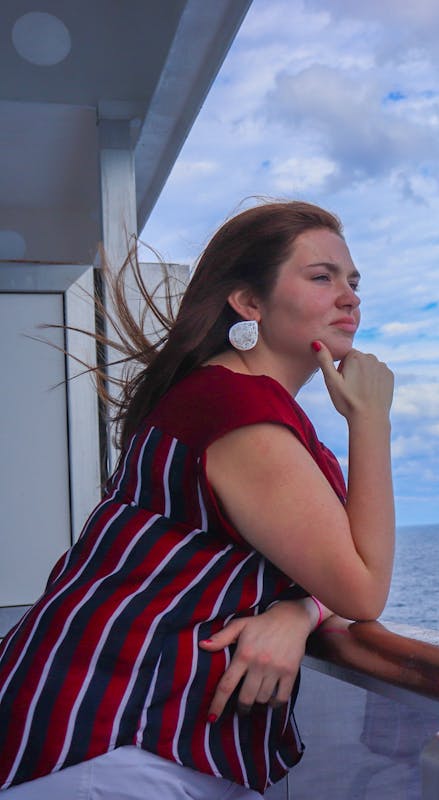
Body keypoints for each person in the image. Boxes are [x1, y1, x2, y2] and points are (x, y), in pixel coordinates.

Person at [0, 201, 395, 797]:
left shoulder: (234, 401)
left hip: (119, 742)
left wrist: (296, 613)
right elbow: (363, 589)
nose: (350, 297)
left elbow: (335, 578)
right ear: (249, 303)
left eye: (353, 280)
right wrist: (370, 421)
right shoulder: (240, 415)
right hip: (116, 748)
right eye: (322, 277)